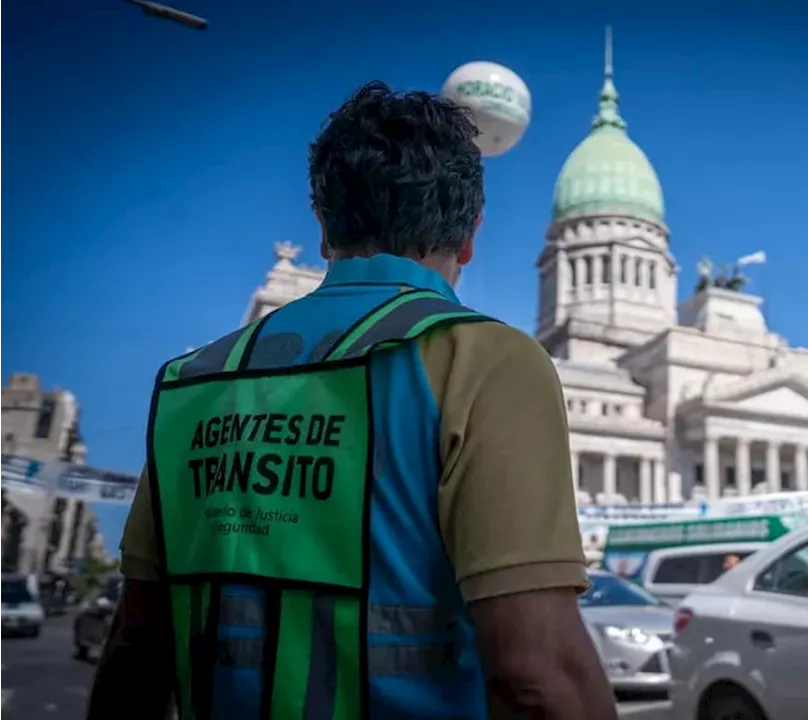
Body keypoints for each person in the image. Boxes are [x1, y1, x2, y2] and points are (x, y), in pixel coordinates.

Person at [86, 81, 617, 720]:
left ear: (323, 227)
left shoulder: (194, 381)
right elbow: (537, 670)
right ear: (471, 234)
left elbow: (137, 644)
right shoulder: (482, 361)